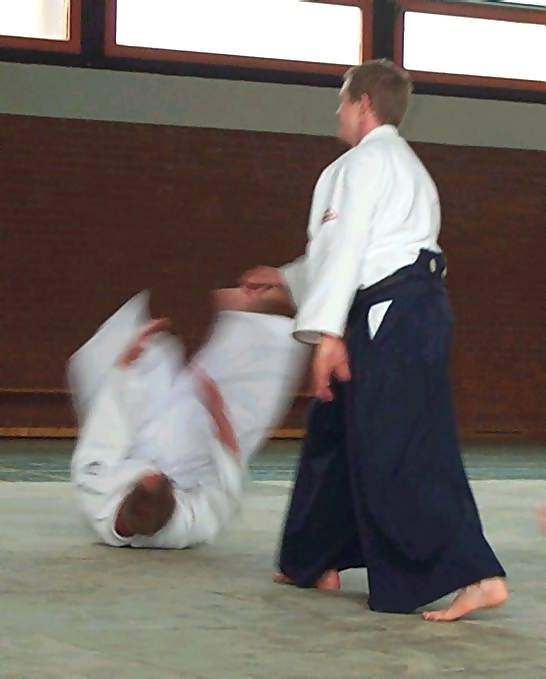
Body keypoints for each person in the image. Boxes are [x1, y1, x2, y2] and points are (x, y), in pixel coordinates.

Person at [239, 59, 508, 621]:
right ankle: (314, 559)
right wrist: (287, 280)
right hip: (411, 308)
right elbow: (363, 250)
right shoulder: (408, 167)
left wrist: (327, 334)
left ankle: (475, 573)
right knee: (335, 431)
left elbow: (346, 250)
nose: (336, 112)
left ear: (363, 104)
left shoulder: (360, 164)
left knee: (399, 445)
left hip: (388, 314)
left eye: (342, 101)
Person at [68, 289, 308, 549]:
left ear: (126, 492)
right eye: (161, 480)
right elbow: (228, 483)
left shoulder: (95, 490)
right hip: (193, 463)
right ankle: (252, 318)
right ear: (174, 502)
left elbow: (105, 429)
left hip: (137, 441)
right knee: (228, 403)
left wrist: (125, 365)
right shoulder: (190, 524)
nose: (155, 473)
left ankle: (246, 321)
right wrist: (218, 413)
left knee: (103, 362)